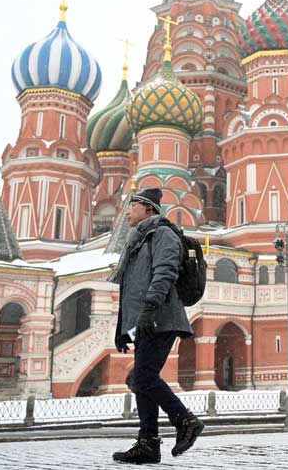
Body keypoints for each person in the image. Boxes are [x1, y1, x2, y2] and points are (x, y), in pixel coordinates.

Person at [109, 187, 204, 464]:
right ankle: (148, 443)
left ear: (148, 208)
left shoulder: (162, 233)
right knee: (142, 381)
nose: (127, 211)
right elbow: (130, 287)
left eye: (132, 206)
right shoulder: (138, 240)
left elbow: (165, 271)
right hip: (146, 319)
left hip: (161, 317)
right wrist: (122, 327)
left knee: (144, 378)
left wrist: (150, 308)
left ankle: (185, 421)